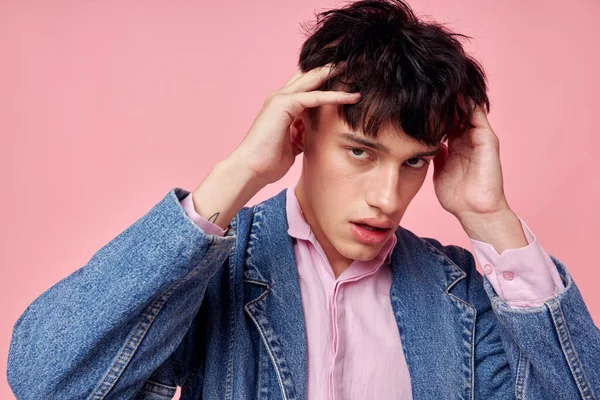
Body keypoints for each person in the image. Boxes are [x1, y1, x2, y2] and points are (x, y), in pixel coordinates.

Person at [7, 0, 600, 399]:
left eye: (413, 162)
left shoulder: (465, 294)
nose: (388, 198)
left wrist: (488, 217)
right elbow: (46, 378)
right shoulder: (212, 276)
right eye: (361, 152)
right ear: (300, 131)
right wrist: (237, 174)